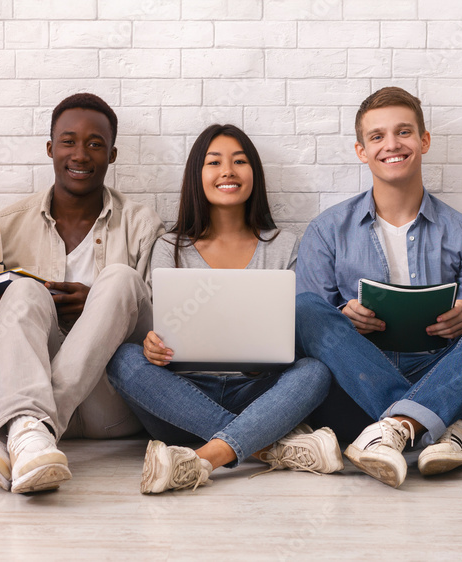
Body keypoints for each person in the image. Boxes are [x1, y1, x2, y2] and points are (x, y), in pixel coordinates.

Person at [294, 87, 462, 488]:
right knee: (306, 309)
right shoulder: (326, 230)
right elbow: (309, 328)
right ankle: (444, 427)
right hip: (359, 374)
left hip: (440, 365)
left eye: (404, 132)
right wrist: (343, 318)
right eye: (377, 136)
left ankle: (395, 428)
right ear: (361, 150)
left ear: (424, 141)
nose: (392, 145)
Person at [107, 124, 342, 494]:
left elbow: (298, 332)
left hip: (258, 390)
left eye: (239, 161)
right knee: (123, 357)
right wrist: (152, 344)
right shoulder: (170, 246)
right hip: (182, 396)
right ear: (197, 176)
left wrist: (273, 357)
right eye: (214, 162)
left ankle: (202, 459)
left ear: (255, 175)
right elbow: (157, 326)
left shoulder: (285, 246)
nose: (228, 171)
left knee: (315, 371)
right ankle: (268, 445)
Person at [0, 93, 165, 494]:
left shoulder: (142, 223)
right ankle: (28, 433)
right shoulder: (6, 225)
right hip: (29, 386)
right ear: (51, 148)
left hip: (113, 401)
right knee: (22, 291)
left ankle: (13, 431)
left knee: (122, 278)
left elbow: (162, 328)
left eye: (95, 144)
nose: (81, 154)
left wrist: (98, 299)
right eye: (69, 141)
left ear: (112, 154)